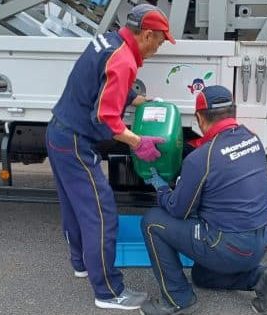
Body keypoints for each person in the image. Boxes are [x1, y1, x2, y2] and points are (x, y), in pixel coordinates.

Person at [45, 4, 175, 310]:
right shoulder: (125, 61)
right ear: (146, 34)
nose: (159, 47)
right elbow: (105, 117)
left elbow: (100, 81)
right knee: (101, 215)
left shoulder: (109, 41)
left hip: (58, 134)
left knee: (75, 208)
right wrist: (137, 141)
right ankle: (109, 292)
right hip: (76, 142)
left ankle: (80, 263)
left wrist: (136, 98)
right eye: (160, 40)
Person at [141, 85, 267, 315]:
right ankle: (258, 278)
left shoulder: (202, 158)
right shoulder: (253, 139)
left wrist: (161, 187)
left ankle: (178, 300)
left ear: (199, 117)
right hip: (260, 242)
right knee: (201, 275)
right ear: (233, 111)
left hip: (230, 247)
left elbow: (178, 210)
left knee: (152, 221)